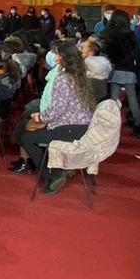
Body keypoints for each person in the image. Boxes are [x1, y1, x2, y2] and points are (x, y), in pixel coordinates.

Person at [11, 41, 96, 185]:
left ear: (61, 57)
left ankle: (51, 175)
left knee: (27, 138)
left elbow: (57, 109)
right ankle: (55, 170)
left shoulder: (63, 78)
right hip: (81, 125)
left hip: (69, 127)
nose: (53, 56)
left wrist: (40, 116)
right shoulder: (78, 74)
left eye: (56, 53)